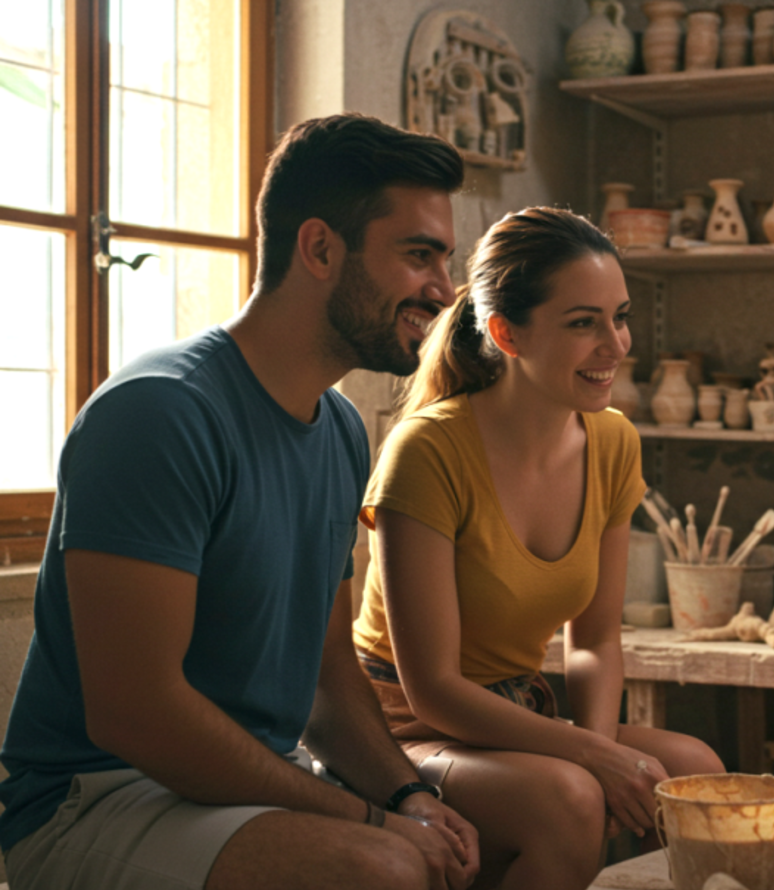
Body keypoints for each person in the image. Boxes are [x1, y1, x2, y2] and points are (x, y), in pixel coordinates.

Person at [0, 113, 482, 890]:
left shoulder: (341, 431)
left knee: (445, 842)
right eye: (418, 255)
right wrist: (366, 821)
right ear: (320, 248)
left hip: (249, 785)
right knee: (384, 868)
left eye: (444, 258)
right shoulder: (160, 414)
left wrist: (407, 796)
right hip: (91, 801)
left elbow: (328, 672)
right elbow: (136, 714)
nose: (443, 288)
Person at [352, 206, 724, 889]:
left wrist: (605, 747)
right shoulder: (428, 450)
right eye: (583, 323)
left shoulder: (612, 441)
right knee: (570, 799)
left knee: (699, 773)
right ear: (506, 333)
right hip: (405, 735)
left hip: (520, 714)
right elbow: (432, 689)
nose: (615, 344)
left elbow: (595, 642)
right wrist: (590, 759)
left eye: (620, 316)